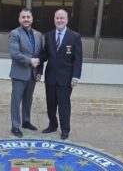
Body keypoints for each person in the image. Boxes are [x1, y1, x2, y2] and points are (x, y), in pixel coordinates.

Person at [40, 9, 83, 140]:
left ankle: (65, 129)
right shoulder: (48, 35)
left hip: (66, 78)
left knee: (64, 105)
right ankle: (53, 125)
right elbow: (45, 54)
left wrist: (76, 76)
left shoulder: (75, 36)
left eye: (62, 18)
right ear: (54, 19)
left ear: (67, 20)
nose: (59, 20)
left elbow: (78, 59)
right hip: (51, 77)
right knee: (50, 104)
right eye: (57, 18)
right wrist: (37, 64)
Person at [9, 8, 43, 138]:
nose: (26, 19)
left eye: (28, 17)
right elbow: (14, 54)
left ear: (32, 19)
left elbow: (40, 54)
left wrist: (39, 71)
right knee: (16, 100)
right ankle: (15, 126)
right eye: (23, 17)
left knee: (28, 99)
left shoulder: (38, 35)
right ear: (19, 19)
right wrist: (30, 61)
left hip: (33, 74)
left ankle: (26, 121)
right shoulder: (14, 34)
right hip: (19, 74)